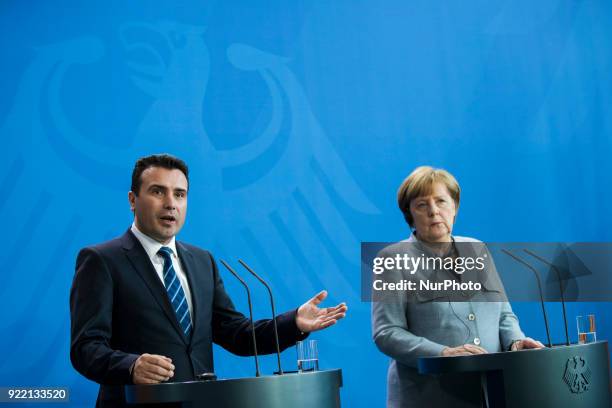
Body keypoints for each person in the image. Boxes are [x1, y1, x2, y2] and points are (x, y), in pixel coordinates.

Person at [70, 154, 347, 407]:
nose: (170, 203)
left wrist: (294, 322)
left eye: (180, 194)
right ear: (133, 199)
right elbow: (85, 348)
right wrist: (131, 366)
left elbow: (237, 335)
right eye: (158, 192)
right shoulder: (102, 260)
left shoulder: (202, 262)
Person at [371, 166, 543, 408]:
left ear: (454, 207)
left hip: (491, 393)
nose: (434, 211)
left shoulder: (477, 249)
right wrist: (442, 353)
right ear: (409, 214)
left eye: (441, 201)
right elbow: (386, 333)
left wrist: (515, 341)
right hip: (428, 396)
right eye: (422, 205)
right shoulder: (392, 259)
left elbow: (503, 314)